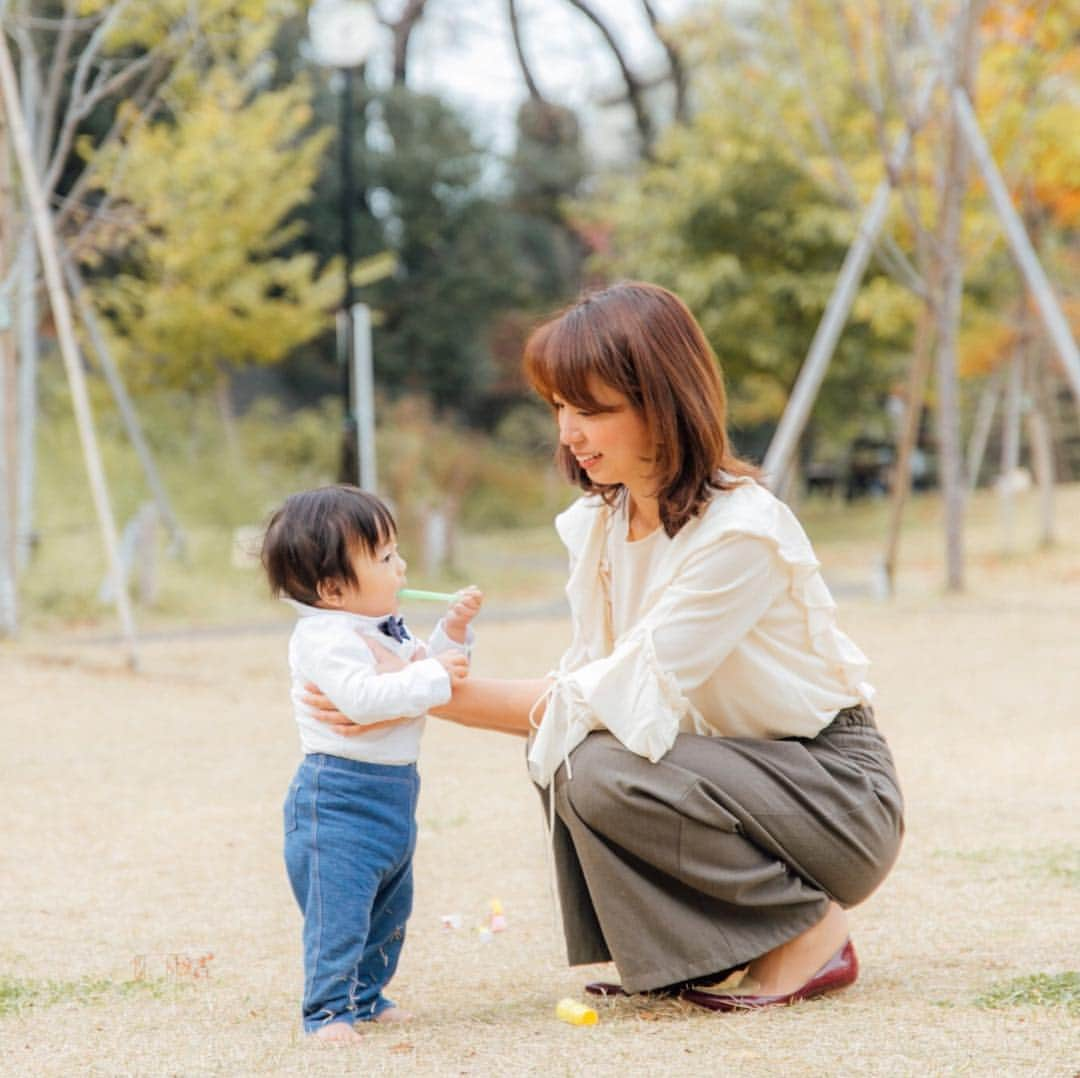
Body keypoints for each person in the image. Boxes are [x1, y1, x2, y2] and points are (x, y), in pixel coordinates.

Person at [307, 282, 904, 1013]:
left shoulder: (739, 534)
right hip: (736, 777)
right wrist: (406, 684)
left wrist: (415, 690)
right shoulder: (600, 525)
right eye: (560, 407)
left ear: (663, 402)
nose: (567, 432)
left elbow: (610, 696)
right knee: (569, 759)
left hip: (829, 790)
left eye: (592, 410)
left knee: (596, 763)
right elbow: (585, 681)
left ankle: (810, 932)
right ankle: (707, 953)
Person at [261, 485, 482, 1041]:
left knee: (389, 909)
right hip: (338, 799)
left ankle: (367, 994)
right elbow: (365, 698)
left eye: (395, 551)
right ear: (333, 589)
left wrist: (452, 635)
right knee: (340, 915)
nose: (401, 566)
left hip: (394, 793)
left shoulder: (379, 623)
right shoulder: (324, 637)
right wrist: (433, 676)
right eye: (384, 558)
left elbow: (423, 676)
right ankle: (328, 1011)